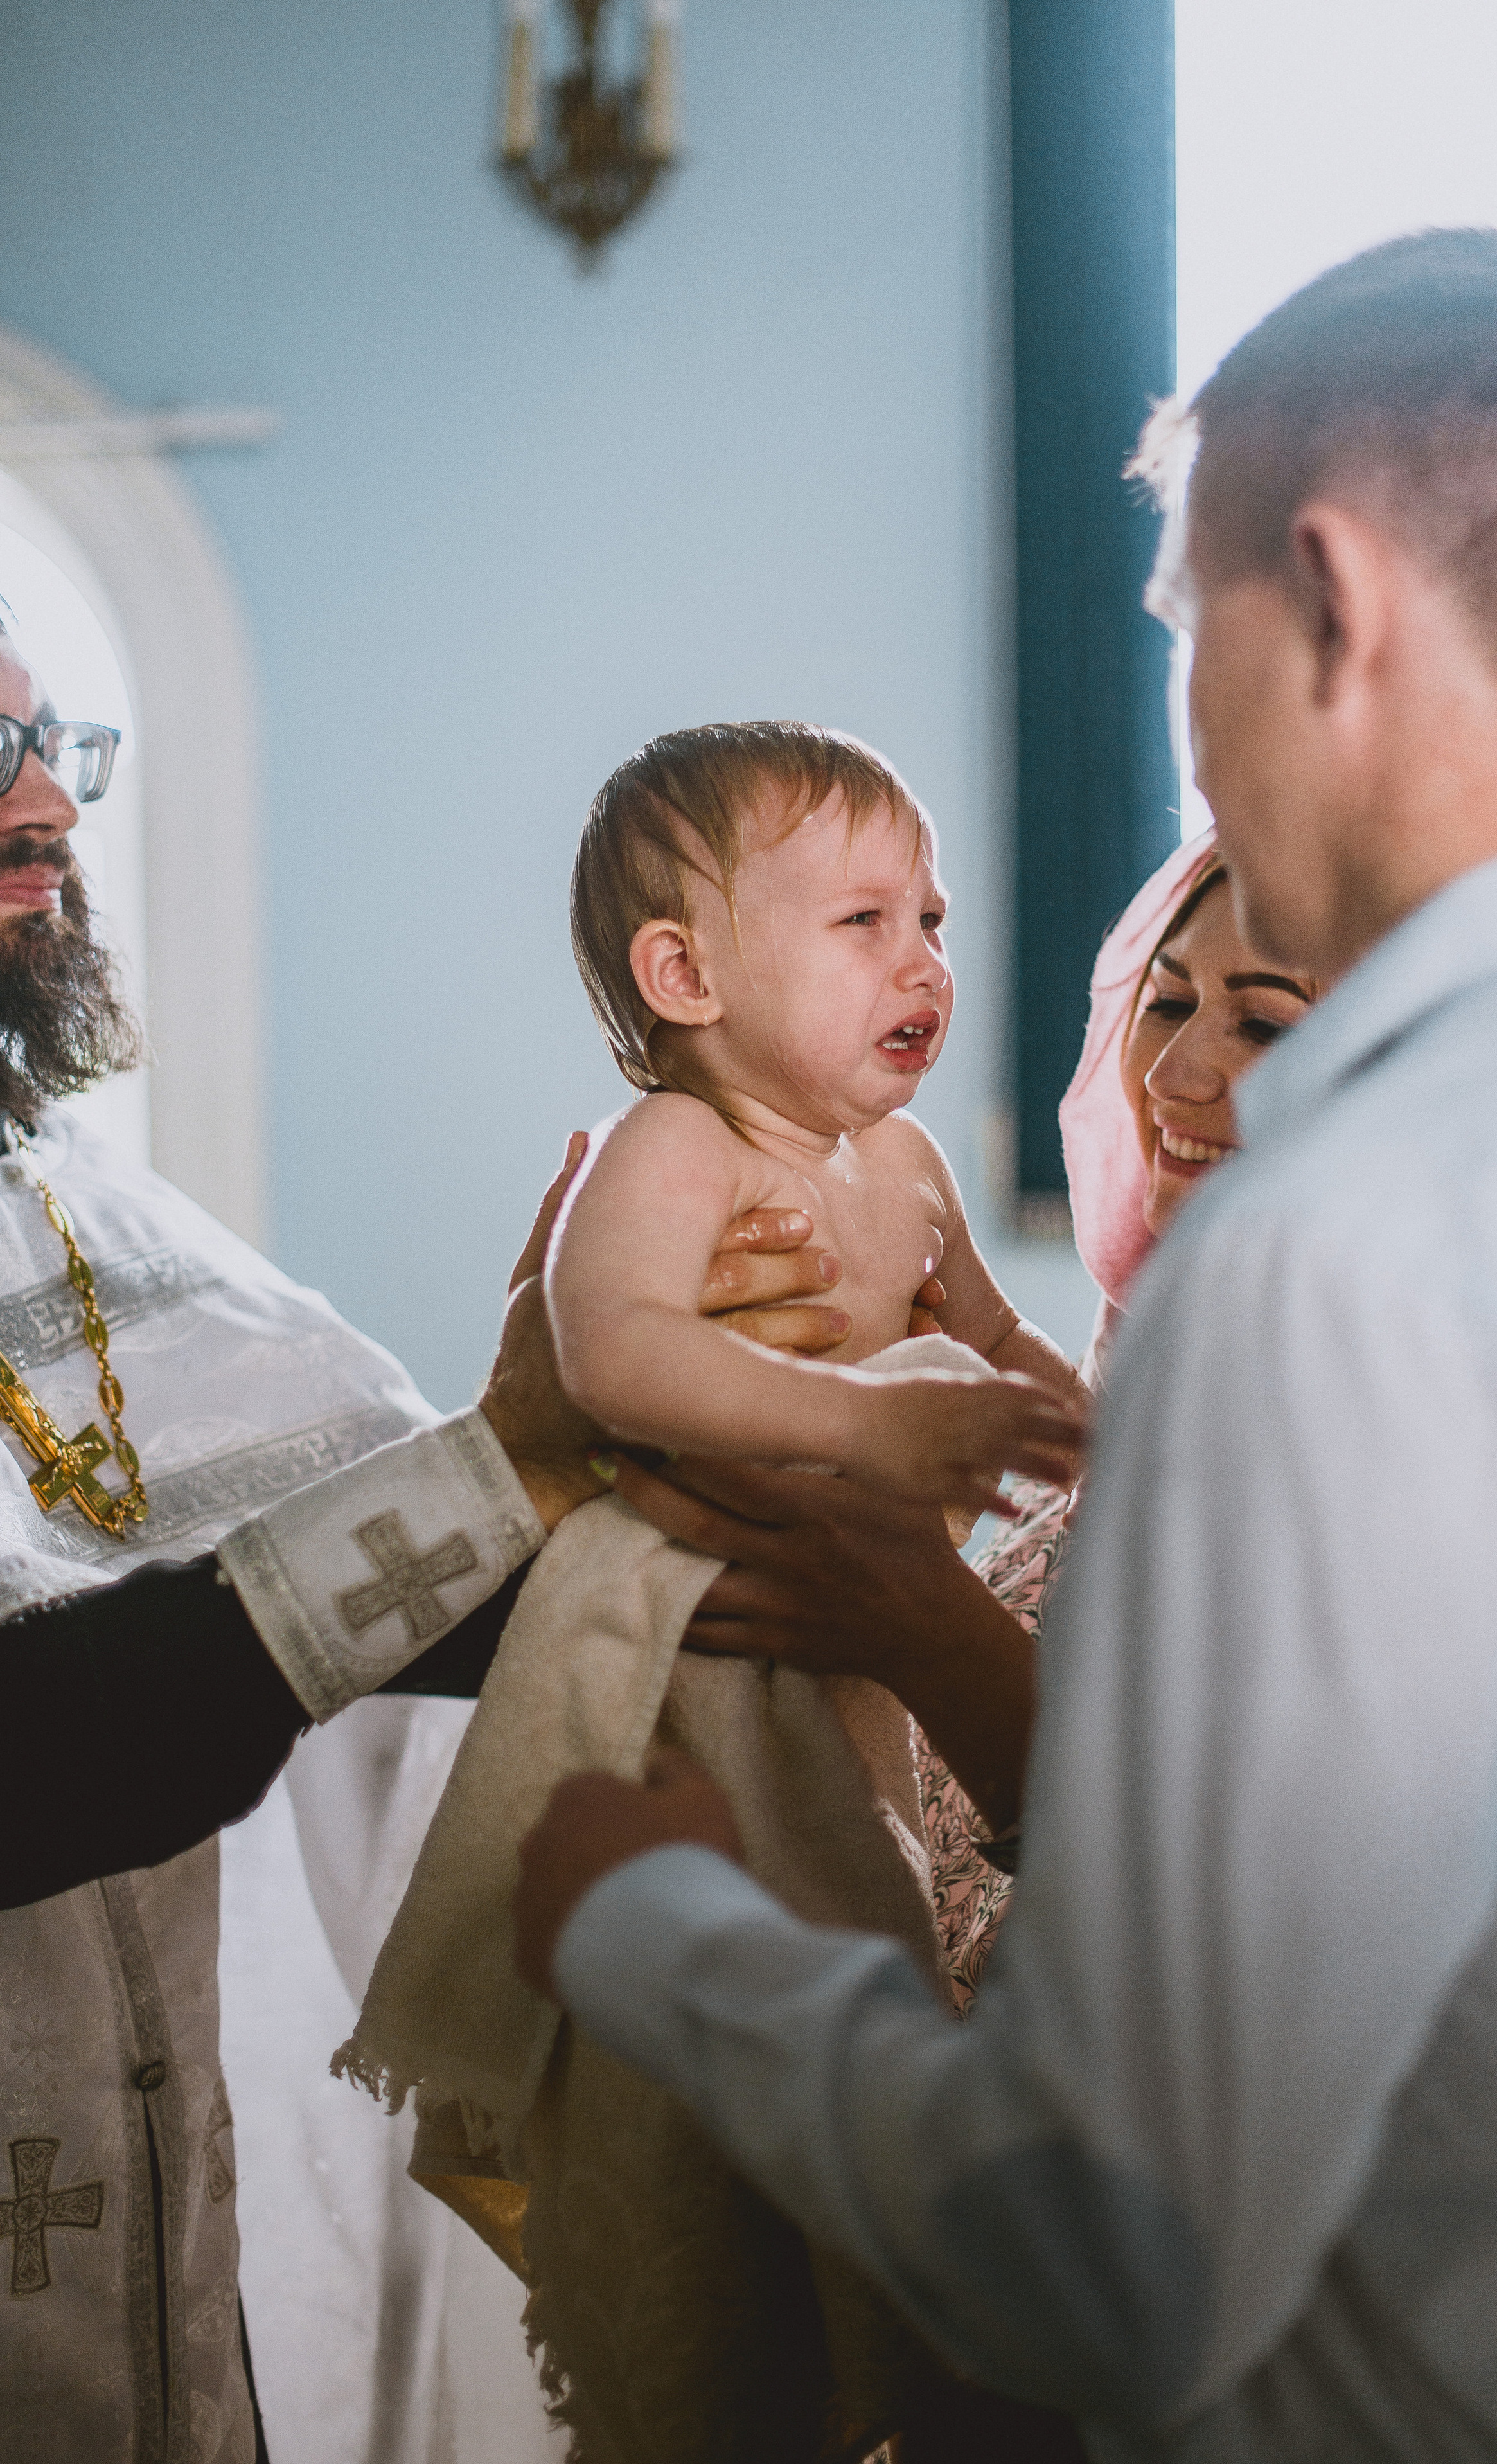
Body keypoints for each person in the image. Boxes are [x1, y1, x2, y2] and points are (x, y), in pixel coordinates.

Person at [514, 227, 1497, 2458]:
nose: (1195, 745)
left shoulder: (1349, 1246)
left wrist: (661, 1931)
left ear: (1329, 601)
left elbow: (1119, 2254)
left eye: (1178, 639)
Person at [0, 621, 855, 2460]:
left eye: (50, 737)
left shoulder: (87, 1208)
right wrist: (513, 1461)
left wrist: (679, 1464)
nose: (49, 804)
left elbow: (391, 1609)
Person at [925, 839, 1318, 2004]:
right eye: (1169, 1001)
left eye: (1266, 1025)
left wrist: (914, 1619)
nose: (1171, 1077)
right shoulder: (1140, 1370)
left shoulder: (1390, 1452)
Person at [553, 720, 1085, 1508]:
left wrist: (1105, 1443)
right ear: (687, 974)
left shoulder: (908, 1160)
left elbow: (997, 1339)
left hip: (865, 1586)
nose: (928, 967)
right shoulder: (677, 1145)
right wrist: (857, 1421)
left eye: (930, 921)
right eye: (864, 920)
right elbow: (610, 1350)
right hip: (693, 1582)